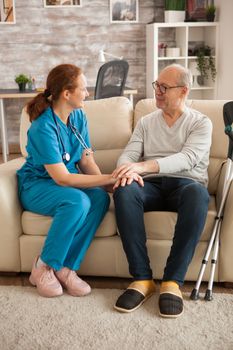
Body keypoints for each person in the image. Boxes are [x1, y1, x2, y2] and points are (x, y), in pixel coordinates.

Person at [17, 64, 142, 298]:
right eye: (83, 89)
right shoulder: (43, 127)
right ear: (66, 93)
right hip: (37, 185)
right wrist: (111, 176)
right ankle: (43, 266)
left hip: (64, 182)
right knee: (77, 202)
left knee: (98, 199)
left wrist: (108, 184)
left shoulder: (78, 116)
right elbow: (62, 178)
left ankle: (66, 267)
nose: (87, 94)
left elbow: (86, 161)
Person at [112, 64, 212, 318]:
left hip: (187, 183)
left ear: (183, 91)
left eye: (164, 87)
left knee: (198, 195)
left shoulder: (201, 123)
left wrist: (144, 165)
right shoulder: (146, 122)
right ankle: (142, 279)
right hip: (152, 185)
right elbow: (128, 155)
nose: (157, 91)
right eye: (157, 85)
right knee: (125, 189)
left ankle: (172, 282)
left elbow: (188, 159)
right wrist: (127, 170)